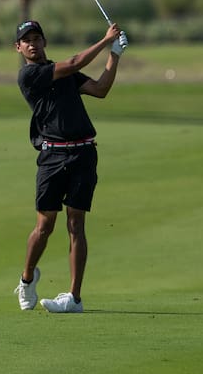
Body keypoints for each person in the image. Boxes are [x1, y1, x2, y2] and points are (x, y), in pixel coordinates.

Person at [11, 18, 127, 313]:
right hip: (52, 157)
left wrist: (115, 54)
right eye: (27, 40)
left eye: (37, 38)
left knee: (76, 224)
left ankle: (74, 298)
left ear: (44, 42)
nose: (33, 43)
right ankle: (27, 279)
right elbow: (74, 62)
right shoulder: (30, 75)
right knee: (44, 226)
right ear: (19, 48)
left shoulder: (65, 74)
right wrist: (105, 40)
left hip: (83, 154)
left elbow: (101, 89)